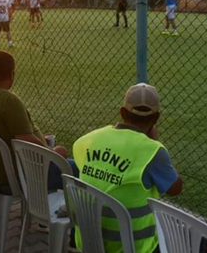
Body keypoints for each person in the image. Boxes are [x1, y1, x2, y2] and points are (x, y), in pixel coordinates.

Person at [73, 83, 182, 253]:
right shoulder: (153, 152)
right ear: (156, 118)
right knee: (194, 239)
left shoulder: (88, 140)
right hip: (134, 247)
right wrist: (155, 143)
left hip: (89, 242)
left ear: (122, 112)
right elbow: (175, 188)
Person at [0, 51, 75, 192]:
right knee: (80, 170)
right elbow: (26, 140)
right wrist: (53, 152)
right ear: (12, 74)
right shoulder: (7, 100)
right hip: (20, 174)